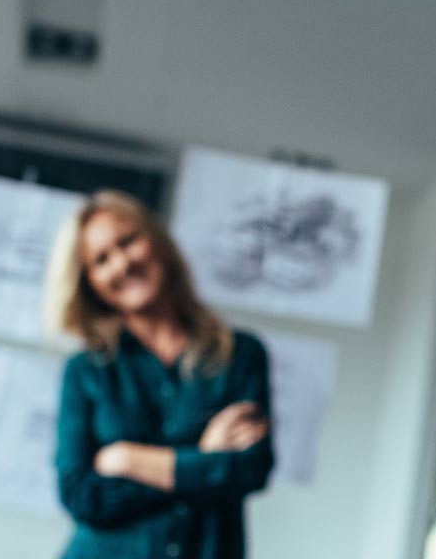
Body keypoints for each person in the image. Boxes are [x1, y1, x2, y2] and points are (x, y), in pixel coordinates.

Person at [43, 190, 274, 559]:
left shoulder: (242, 354)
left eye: (128, 241)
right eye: (101, 259)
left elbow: (250, 469)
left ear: (157, 241)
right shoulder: (86, 370)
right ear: (89, 282)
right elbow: (82, 495)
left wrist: (130, 460)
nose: (121, 264)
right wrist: (202, 455)